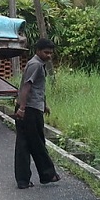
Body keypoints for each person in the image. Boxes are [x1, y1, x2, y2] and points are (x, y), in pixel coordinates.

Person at [14, 37, 61, 189]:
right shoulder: (35, 65)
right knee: (37, 143)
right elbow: (27, 87)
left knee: (24, 144)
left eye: (51, 53)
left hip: (31, 107)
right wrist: (22, 108)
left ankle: (23, 180)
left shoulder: (37, 64)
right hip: (30, 110)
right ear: (38, 51)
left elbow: (37, 88)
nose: (49, 56)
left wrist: (44, 104)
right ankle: (48, 174)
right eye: (46, 52)